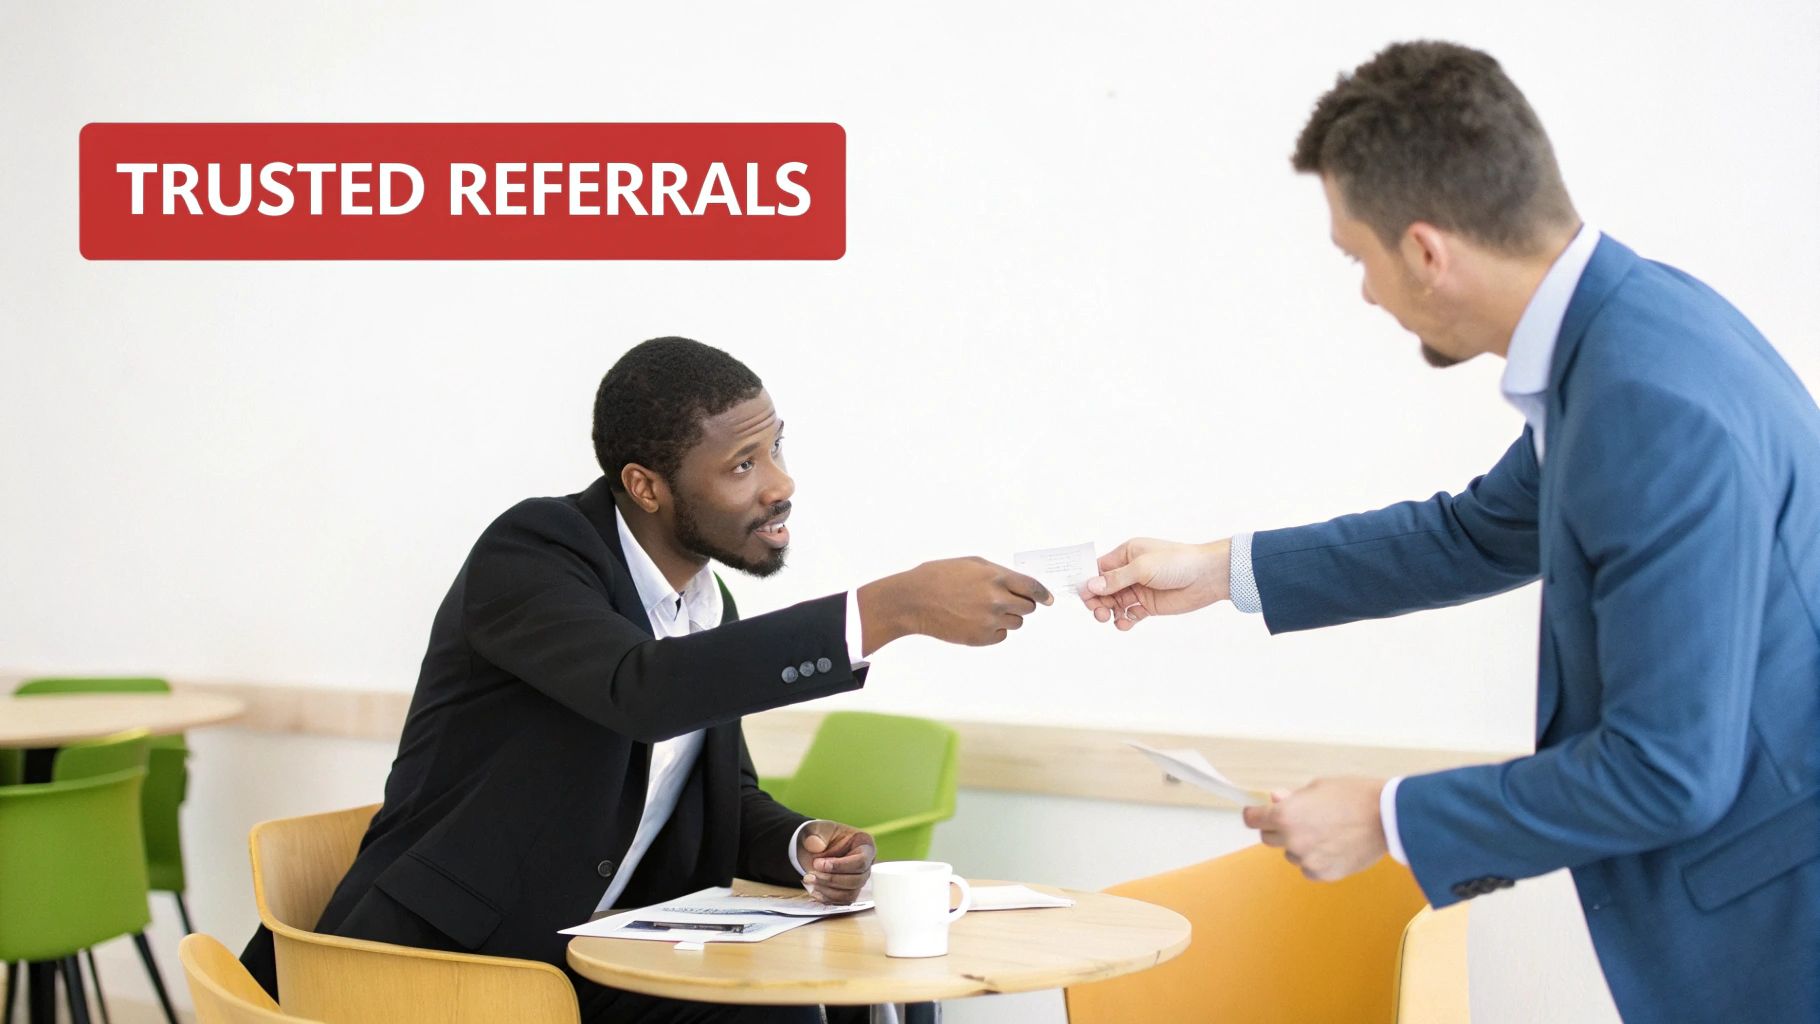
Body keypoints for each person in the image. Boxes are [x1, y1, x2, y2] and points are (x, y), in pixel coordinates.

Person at [1080, 41, 1818, 1022]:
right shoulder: (1631, 330)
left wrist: (1385, 818)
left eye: (1358, 257)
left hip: (1774, 945)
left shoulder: (1645, 400)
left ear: (1425, 252)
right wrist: (1218, 569)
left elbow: (1666, 773)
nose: (1363, 292)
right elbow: (1475, 534)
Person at [243, 336, 1053, 1023]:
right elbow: (644, 690)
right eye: (742, 463)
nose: (780, 483)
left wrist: (806, 847)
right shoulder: (532, 552)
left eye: (776, 448)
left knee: (798, 1004)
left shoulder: (706, 602)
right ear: (646, 486)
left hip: (593, 954)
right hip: (444, 964)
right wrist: (891, 607)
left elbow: (720, 801)